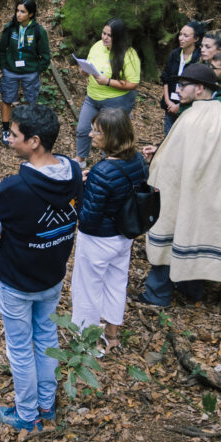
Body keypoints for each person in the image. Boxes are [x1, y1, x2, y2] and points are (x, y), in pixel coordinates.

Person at [0, 104, 82, 431]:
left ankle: (27, 415)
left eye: (14, 134)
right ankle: (46, 406)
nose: (8, 138)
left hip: (17, 281)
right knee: (47, 338)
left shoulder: (15, 187)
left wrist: (1, 225)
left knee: (21, 348)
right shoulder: (74, 172)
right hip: (52, 275)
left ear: (34, 141)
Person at [134, 64, 221, 307]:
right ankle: (192, 289)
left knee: (172, 232)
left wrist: (156, 169)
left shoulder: (192, 117)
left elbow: (173, 164)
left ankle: (157, 294)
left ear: (200, 88)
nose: (178, 90)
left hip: (186, 190)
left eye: (184, 86)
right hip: (211, 193)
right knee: (196, 234)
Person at [71, 108, 146, 355]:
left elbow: (89, 219)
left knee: (87, 288)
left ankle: (88, 341)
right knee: (116, 282)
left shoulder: (102, 172)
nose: (91, 135)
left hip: (98, 239)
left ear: (112, 135)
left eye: (97, 131)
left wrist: (80, 192)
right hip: (124, 236)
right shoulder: (137, 160)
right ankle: (112, 335)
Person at [74, 18, 141, 166]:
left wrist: (108, 82)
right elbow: (90, 65)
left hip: (116, 102)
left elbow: (133, 83)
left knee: (110, 136)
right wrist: (84, 71)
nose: (104, 37)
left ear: (118, 37)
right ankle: (80, 160)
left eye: (109, 35)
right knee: (83, 129)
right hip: (92, 98)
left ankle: (109, 164)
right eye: (103, 33)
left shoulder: (129, 55)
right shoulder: (97, 46)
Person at [0, 0, 50, 145]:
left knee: (30, 101)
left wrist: (36, 70)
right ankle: (6, 129)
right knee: (7, 99)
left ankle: (25, 130)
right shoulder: (10, 28)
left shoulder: (39, 31)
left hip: (30, 73)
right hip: (11, 71)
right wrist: (4, 65)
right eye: (17, 11)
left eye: (22, 12)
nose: (18, 14)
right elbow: (2, 49)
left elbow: (45, 55)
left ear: (31, 14)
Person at [159, 21, 204, 134]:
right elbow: (166, 77)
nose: (181, 38)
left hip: (187, 107)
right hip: (170, 104)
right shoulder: (175, 54)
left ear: (196, 39)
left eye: (186, 36)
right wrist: (168, 100)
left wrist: (179, 105)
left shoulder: (199, 58)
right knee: (168, 137)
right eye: (180, 34)